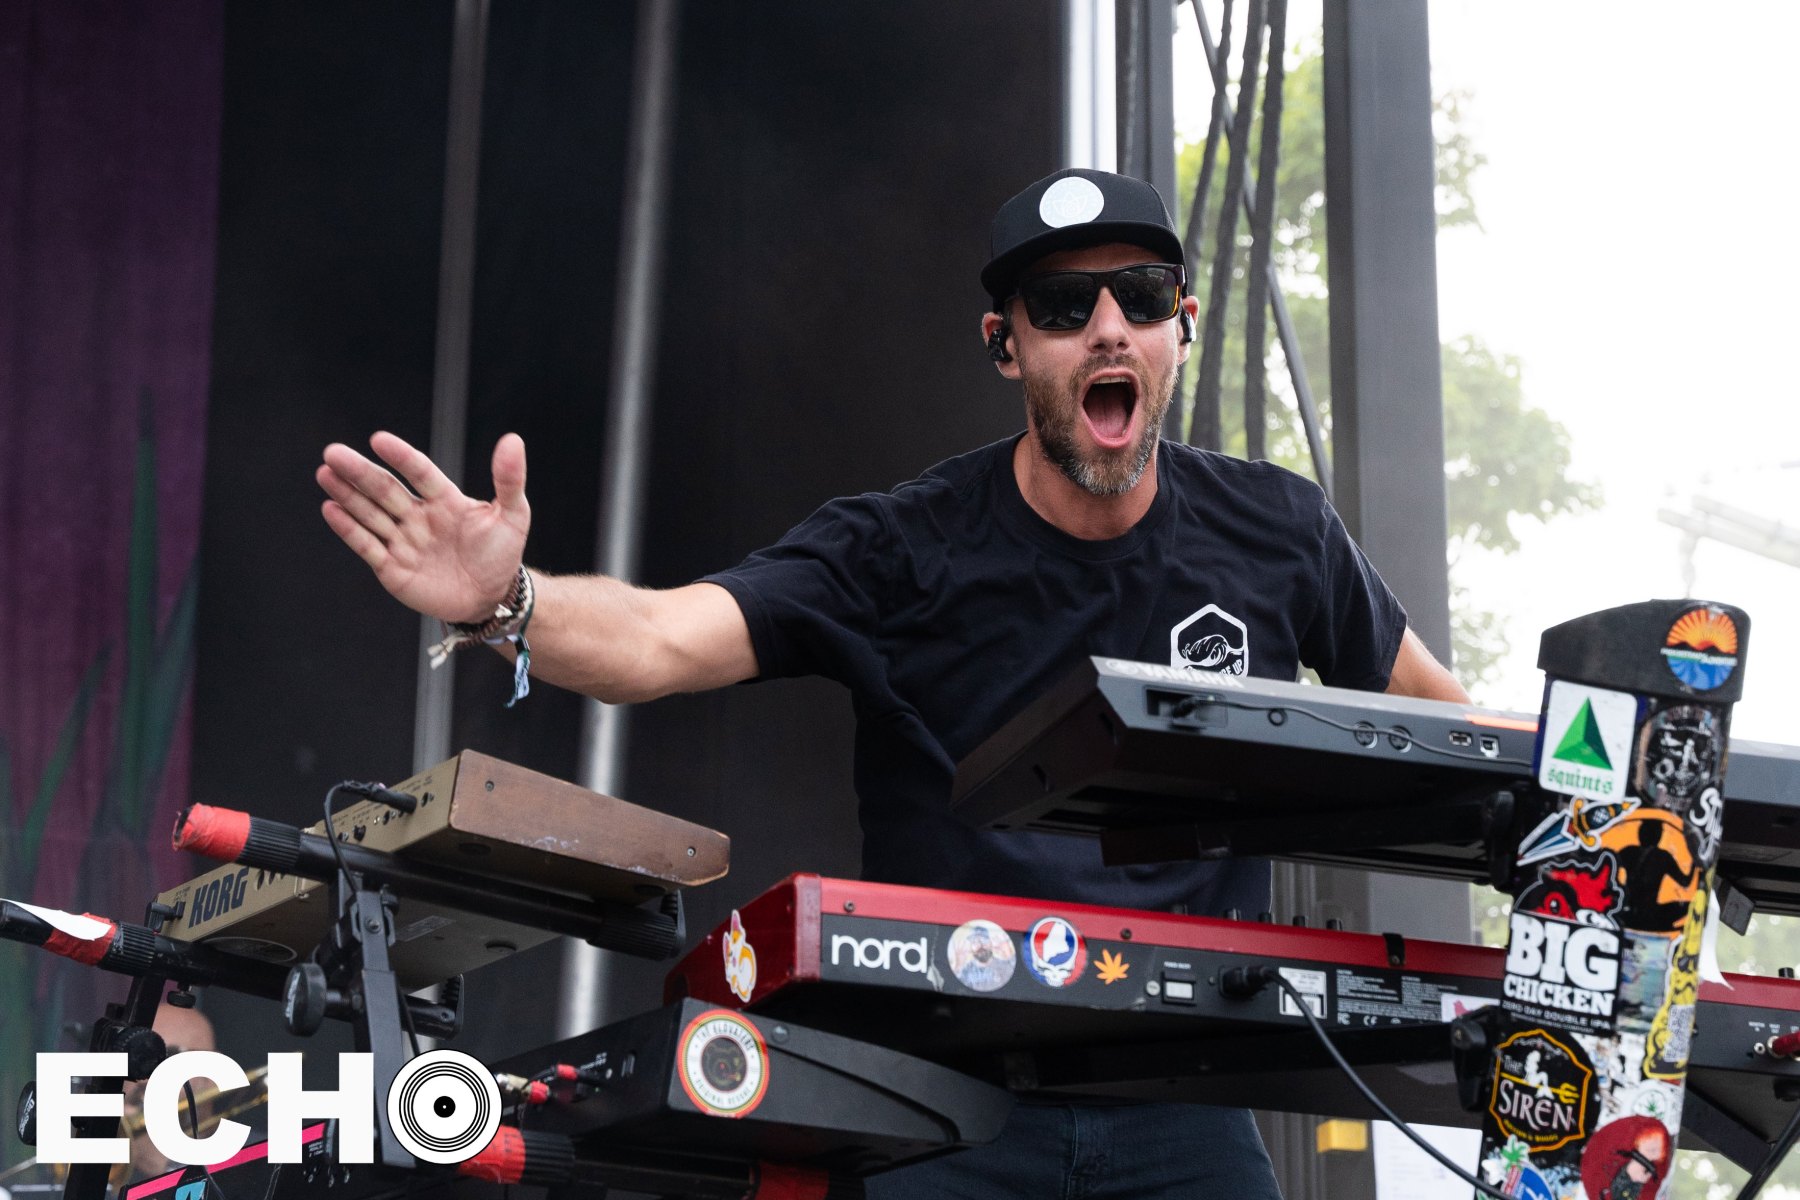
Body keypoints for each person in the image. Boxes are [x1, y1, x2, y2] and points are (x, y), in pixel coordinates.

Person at [317, 167, 1470, 1197]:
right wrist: (507, 601)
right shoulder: (903, 547)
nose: (1108, 328)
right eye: (1063, 306)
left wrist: (1578, 804)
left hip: (1187, 1105)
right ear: (1006, 345)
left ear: (1184, 325)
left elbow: (1450, 732)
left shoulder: (1278, 532)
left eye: (1141, 295)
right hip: (947, 1108)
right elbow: (662, 639)